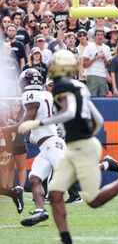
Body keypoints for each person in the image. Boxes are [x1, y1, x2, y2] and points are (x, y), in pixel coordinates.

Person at [17, 50, 118, 244]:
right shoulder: (80, 87)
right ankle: (66, 239)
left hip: (79, 144)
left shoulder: (61, 86)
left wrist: (38, 124)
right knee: (56, 194)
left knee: (93, 200)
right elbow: (98, 120)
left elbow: (68, 113)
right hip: (80, 143)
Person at [1, 68, 65, 226]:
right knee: (34, 178)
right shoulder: (45, 94)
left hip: (52, 144)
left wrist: (7, 129)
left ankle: (106, 164)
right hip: (46, 147)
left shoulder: (32, 96)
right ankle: (40, 211)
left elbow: (27, 120)